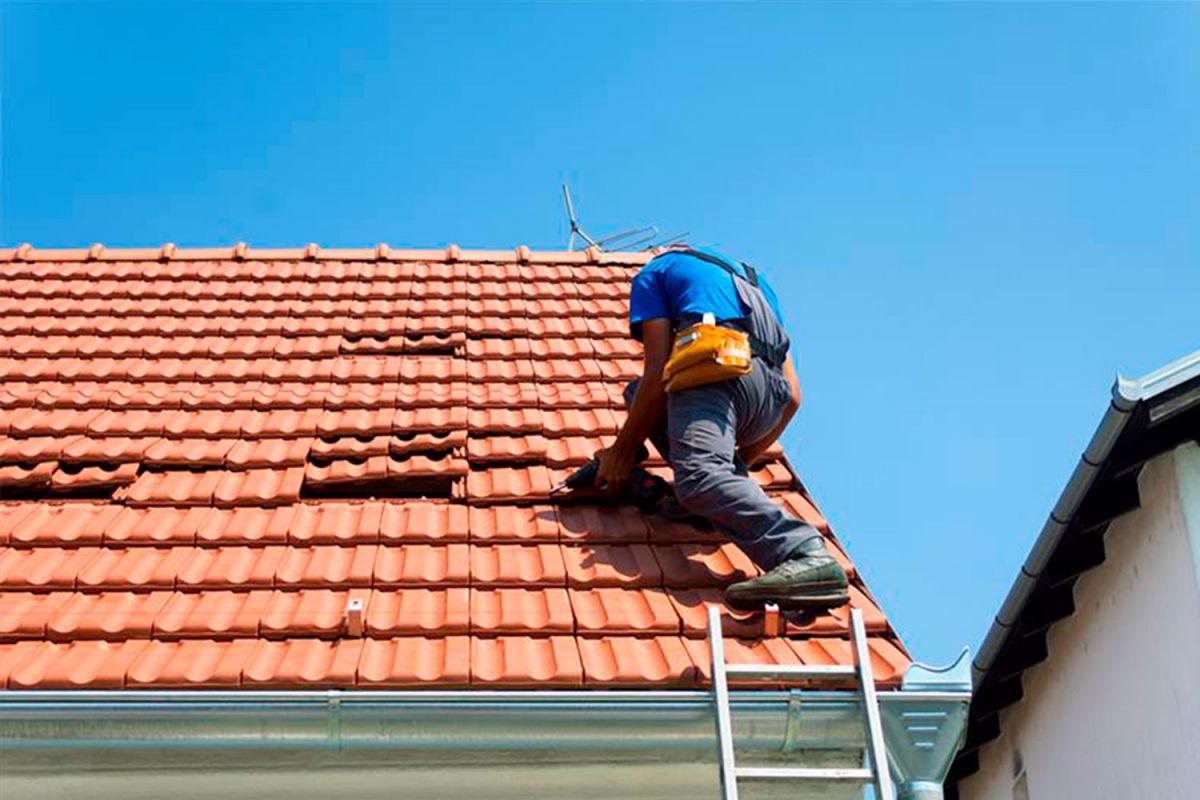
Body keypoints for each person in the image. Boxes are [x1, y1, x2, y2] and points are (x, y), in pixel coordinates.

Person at [594, 245, 849, 610]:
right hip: (766, 401)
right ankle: (716, 497)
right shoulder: (755, 283)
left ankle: (804, 553)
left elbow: (656, 375)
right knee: (639, 397)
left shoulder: (653, 275)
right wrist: (737, 464)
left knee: (697, 476)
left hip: (717, 372)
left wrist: (620, 454)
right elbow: (793, 397)